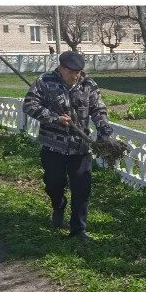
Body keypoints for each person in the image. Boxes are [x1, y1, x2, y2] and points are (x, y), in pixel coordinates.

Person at [23, 49, 110, 237]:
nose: (75, 75)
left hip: (80, 147)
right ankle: (58, 204)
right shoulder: (44, 82)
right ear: (61, 68)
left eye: (78, 71)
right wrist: (54, 118)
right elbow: (29, 105)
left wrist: (104, 129)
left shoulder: (88, 85)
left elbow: (98, 109)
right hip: (53, 147)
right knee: (53, 184)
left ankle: (78, 230)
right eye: (71, 71)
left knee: (82, 189)